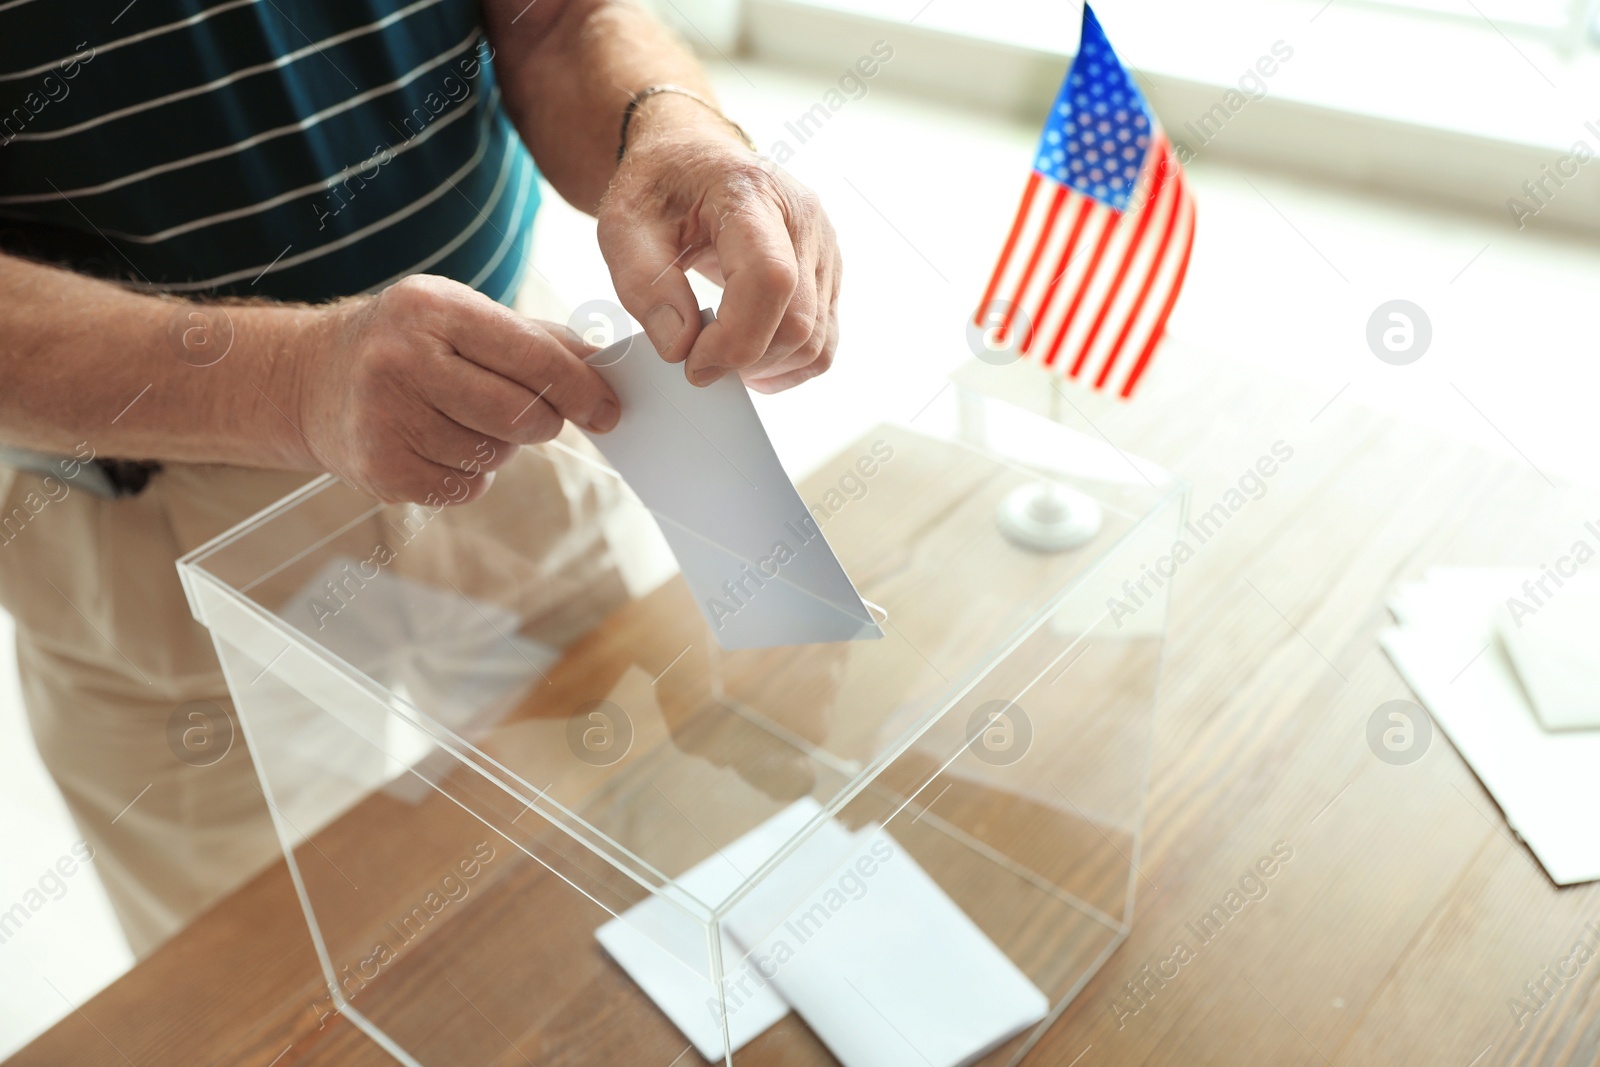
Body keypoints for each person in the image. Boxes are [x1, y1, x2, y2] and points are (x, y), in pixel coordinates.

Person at [0, 0, 841, 957]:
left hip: (525, 403)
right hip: (163, 514)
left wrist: (674, 124)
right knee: (275, 988)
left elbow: (559, 21)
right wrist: (290, 382)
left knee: (642, 871)